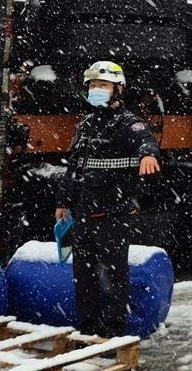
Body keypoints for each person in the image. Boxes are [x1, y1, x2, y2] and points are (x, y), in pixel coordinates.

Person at [57, 61, 159, 338]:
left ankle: (114, 331)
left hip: (113, 213)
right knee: (84, 275)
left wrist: (148, 154)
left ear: (118, 89)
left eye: (102, 85)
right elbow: (74, 166)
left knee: (113, 275)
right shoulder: (87, 125)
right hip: (83, 213)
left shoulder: (129, 122)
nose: (95, 90)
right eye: (92, 85)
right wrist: (63, 202)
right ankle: (87, 328)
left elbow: (145, 140)